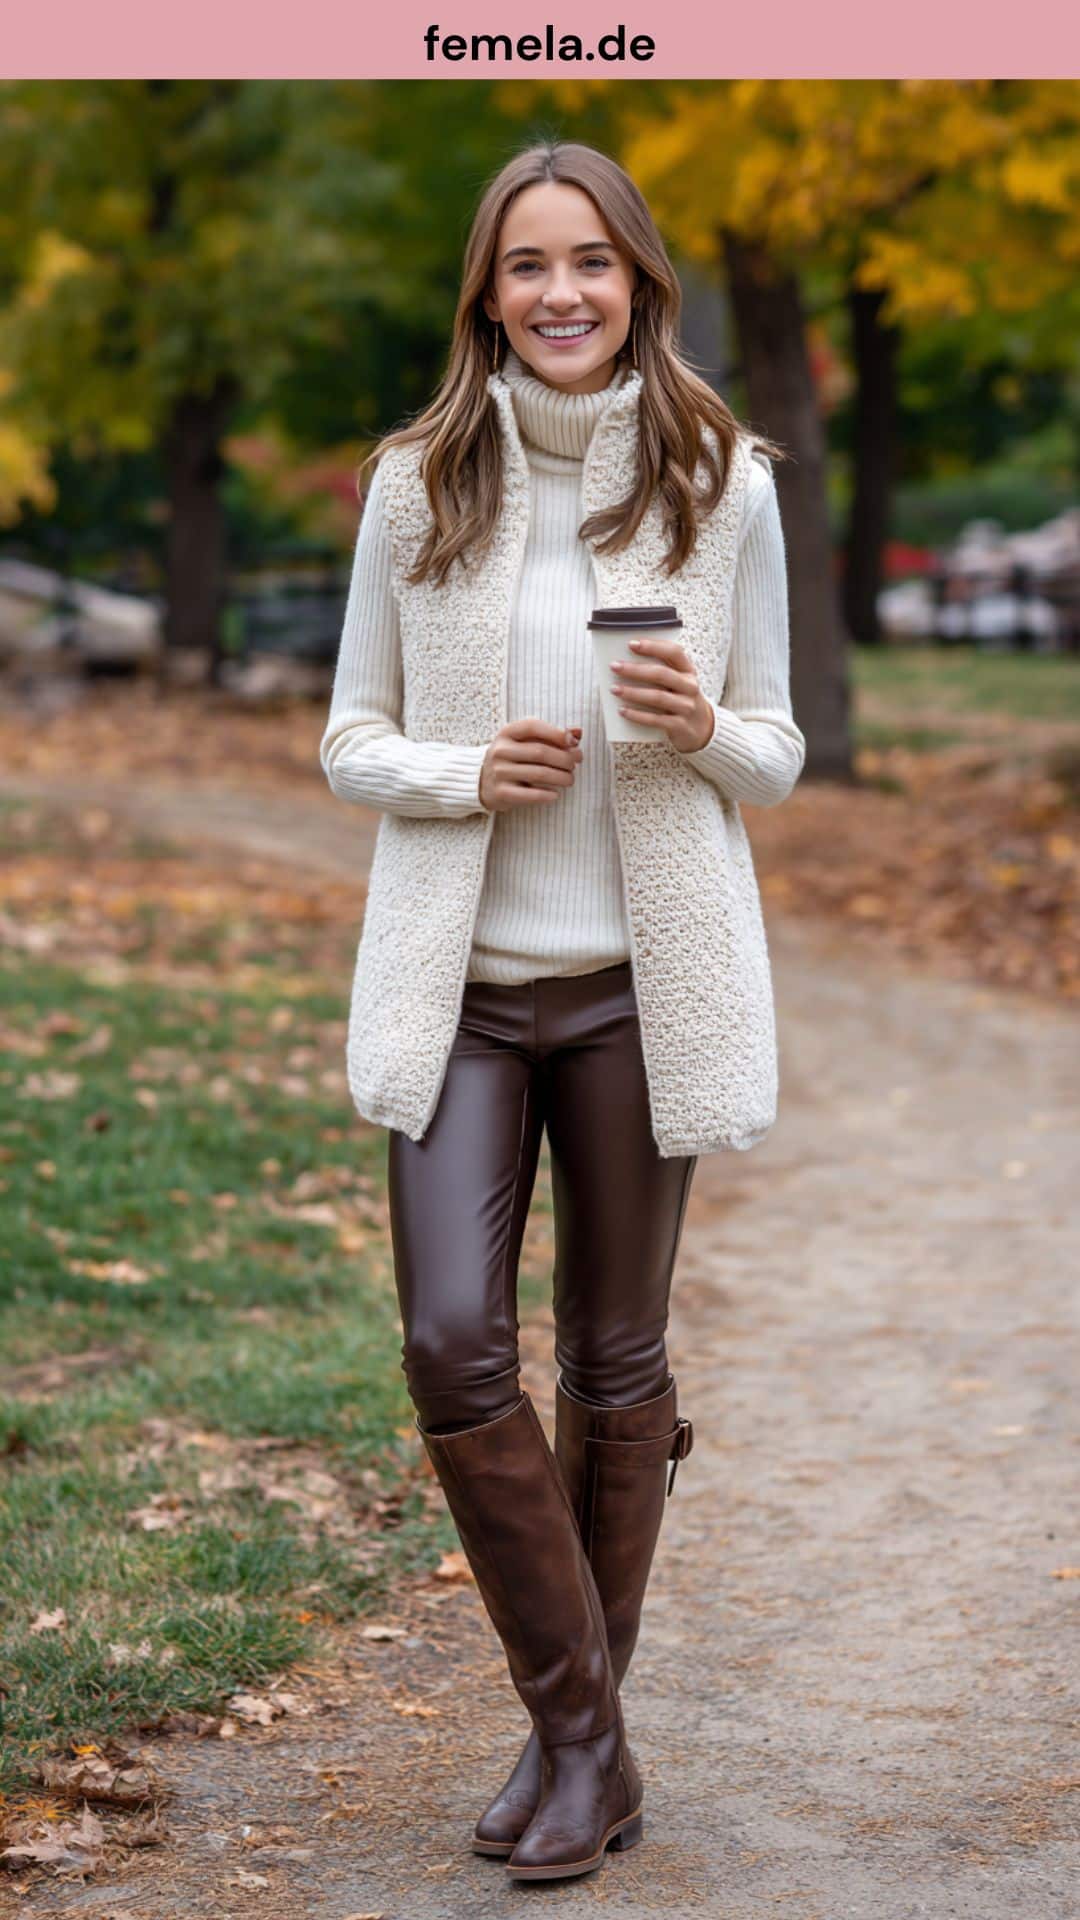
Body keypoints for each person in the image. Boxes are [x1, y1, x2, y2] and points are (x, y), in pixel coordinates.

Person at [320, 139, 806, 1883]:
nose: (562, 294)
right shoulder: (416, 487)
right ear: (487, 293)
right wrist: (463, 773)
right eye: (527, 266)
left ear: (641, 280)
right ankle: (590, 1730)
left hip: (636, 990)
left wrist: (696, 729)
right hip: (460, 993)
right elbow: (349, 737)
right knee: (453, 1344)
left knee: (614, 1363)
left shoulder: (717, 480)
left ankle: (567, 1753)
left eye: (591, 262)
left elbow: (780, 747)